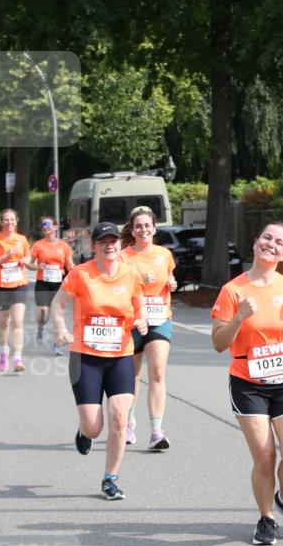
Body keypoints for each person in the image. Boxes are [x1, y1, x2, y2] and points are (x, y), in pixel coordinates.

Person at [211, 222, 283, 546]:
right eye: (266, 237)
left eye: (278, 241)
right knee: (265, 456)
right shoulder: (233, 290)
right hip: (248, 382)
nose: (271, 244)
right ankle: (266, 517)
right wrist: (239, 317)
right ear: (255, 242)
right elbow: (218, 342)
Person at [51, 221, 148, 501]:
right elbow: (58, 304)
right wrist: (59, 329)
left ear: (120, 245)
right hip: (85, 357)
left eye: (113, 241)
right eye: (103, 241)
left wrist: (140, 320)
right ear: (93, 246)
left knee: (119, 418)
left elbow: (138, 303)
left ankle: (110, 478)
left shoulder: (130, 274)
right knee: (94, 427)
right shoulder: (81, 275)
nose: (109, 245)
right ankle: (84, 432)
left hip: (120, 355)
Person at [119, 206, 177, 450]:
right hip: (132, 321)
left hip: (160, 319)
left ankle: (156, 430)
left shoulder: (164, 254)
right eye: (138, 226)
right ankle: (129, 423)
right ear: (132, 230)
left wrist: (172, 283)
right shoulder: (123, 256)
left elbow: (169, 279)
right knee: (132, 376)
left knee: (158, 373)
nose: (143, 229)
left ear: (154, 228)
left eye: (147, 225)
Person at [0, 209, 31, 373]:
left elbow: (28, 256)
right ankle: (4, 352)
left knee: (18, 321)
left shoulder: (22, 239)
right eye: (6, 220)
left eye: (12, 220)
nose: (9, 223)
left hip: (19, 284)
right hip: (0, 287)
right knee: (4, 322)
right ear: (1, 222)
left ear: (16, 221)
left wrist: (26, 260)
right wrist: (6, 255)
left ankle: (17, 358)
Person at [28, 216, 73, 355]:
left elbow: (69, 263)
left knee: (58, 314)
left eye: (47, 224)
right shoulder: (38, 245)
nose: (45, 227)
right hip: (43, 283)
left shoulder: (63, 246)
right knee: (43, 313)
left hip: (58, 283)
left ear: (55, 227)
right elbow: (28, 263)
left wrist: (74, 269)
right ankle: (41, 327)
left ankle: (57, 345)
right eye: (43, 225)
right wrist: (37, 266)